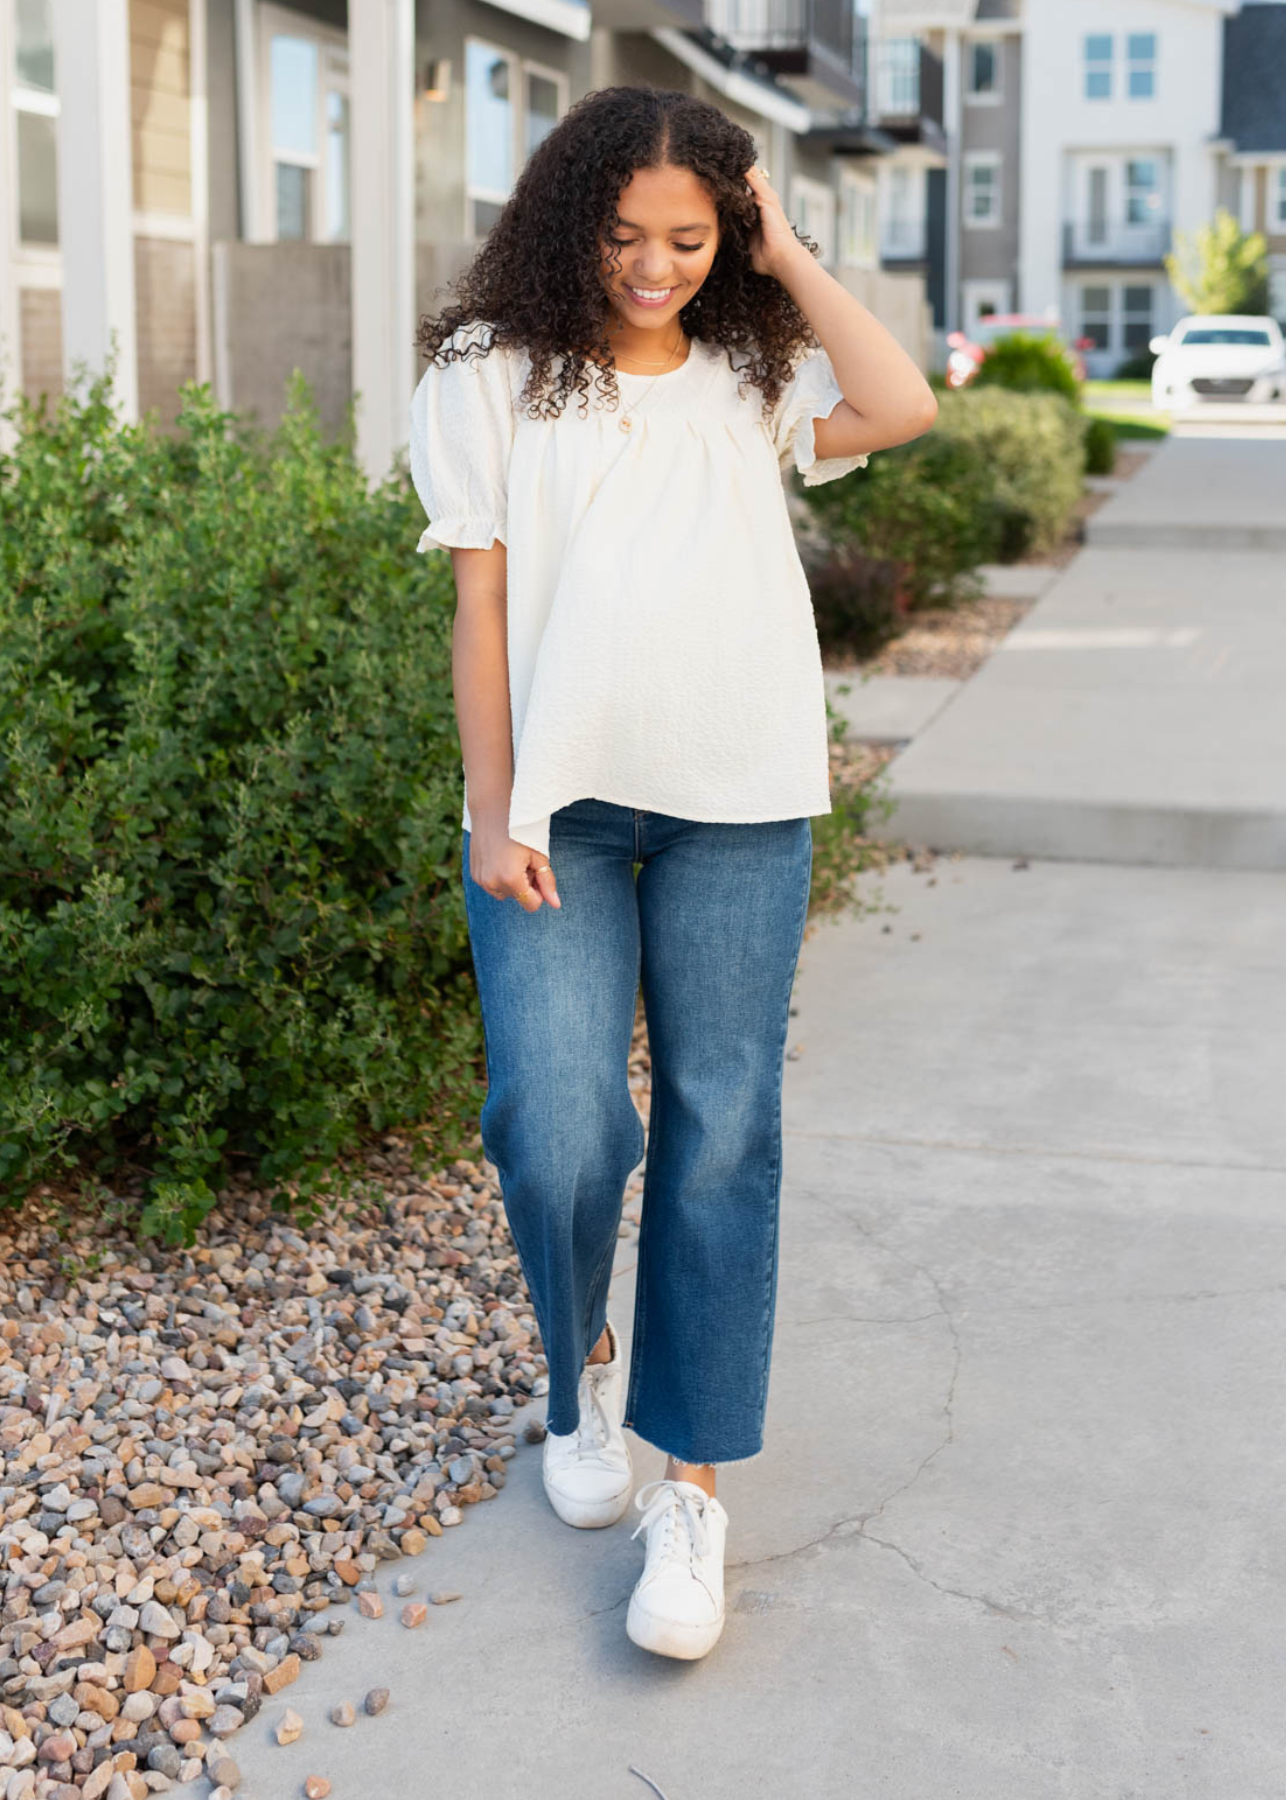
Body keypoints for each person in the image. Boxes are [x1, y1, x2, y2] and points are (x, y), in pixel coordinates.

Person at [409, 84, 936, 1662]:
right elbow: (480, 607)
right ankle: (577, 1374)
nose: (654, 266)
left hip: (739, 803)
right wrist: (493, 809)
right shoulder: (486, 372)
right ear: (570, 222)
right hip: (556, 812)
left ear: (730, 236)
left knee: (722, 1132)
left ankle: (689, 1490)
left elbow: (902, 403)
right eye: (626, 235)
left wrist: (785, 250)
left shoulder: (750, 373)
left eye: (691, 238)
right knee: (556, 1122)